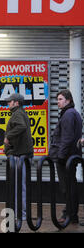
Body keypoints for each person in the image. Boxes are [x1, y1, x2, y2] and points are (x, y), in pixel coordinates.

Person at [48, 89, 82, 224]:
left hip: (66, 157)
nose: (58, 102)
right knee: (71, 185)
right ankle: (72, 215)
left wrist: (61, 156)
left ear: (68, 100)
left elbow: (67, 138)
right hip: (71, 156)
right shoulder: (74, 113)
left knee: (67, 187)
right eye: (57, 99)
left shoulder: (68, 114)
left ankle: (69, 215)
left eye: (60, 99)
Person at [3, 93, 34, 221]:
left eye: (10, 102)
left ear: (16, 103)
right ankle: (21, 213)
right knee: (21, 186)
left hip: (20, 156)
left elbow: (21, 126)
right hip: (22, 154)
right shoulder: (21, 112)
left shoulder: (18, 113)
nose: (8, 104)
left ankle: (21, 214)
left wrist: (8, 136)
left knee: (19, 187)